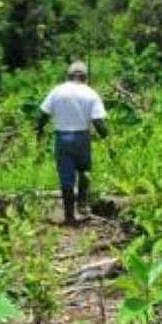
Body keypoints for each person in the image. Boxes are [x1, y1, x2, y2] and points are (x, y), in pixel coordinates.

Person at [36, 61, 108, 226]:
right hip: (82, 137)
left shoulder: (57, 91)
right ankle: (82, 204)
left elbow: (42, 115)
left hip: (62, 137)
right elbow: (98, 121)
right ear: (85, 77)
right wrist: (106, 137)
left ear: (68, 76)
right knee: (84, 171)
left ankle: (69, 216)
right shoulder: (91, 93)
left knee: (66, 177)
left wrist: (39, 131)